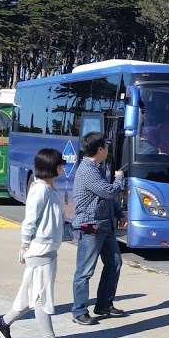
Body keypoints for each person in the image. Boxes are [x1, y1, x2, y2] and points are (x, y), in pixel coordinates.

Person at [0, 148, 70, 338]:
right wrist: (24, 245)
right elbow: (30, 221)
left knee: (29, 296)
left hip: (48, 251)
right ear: (51, 167)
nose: (63, 166)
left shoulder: (51, 189)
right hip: (40, 251)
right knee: (41, 297)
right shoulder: (40, 190)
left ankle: (3, 322)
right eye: (60, 164)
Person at [70, 132, 126, 325]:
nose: (108, 150)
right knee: (85, 270)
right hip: (91, 226)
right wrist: (120, 179)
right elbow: (108, 191)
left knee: (114, 263)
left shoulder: (98, 167)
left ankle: (104, 304)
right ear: (100, 149)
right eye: (106, 147)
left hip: (105, 223)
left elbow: (105, 197)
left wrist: (119, 213)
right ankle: (79, 311)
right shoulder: (87, 170)